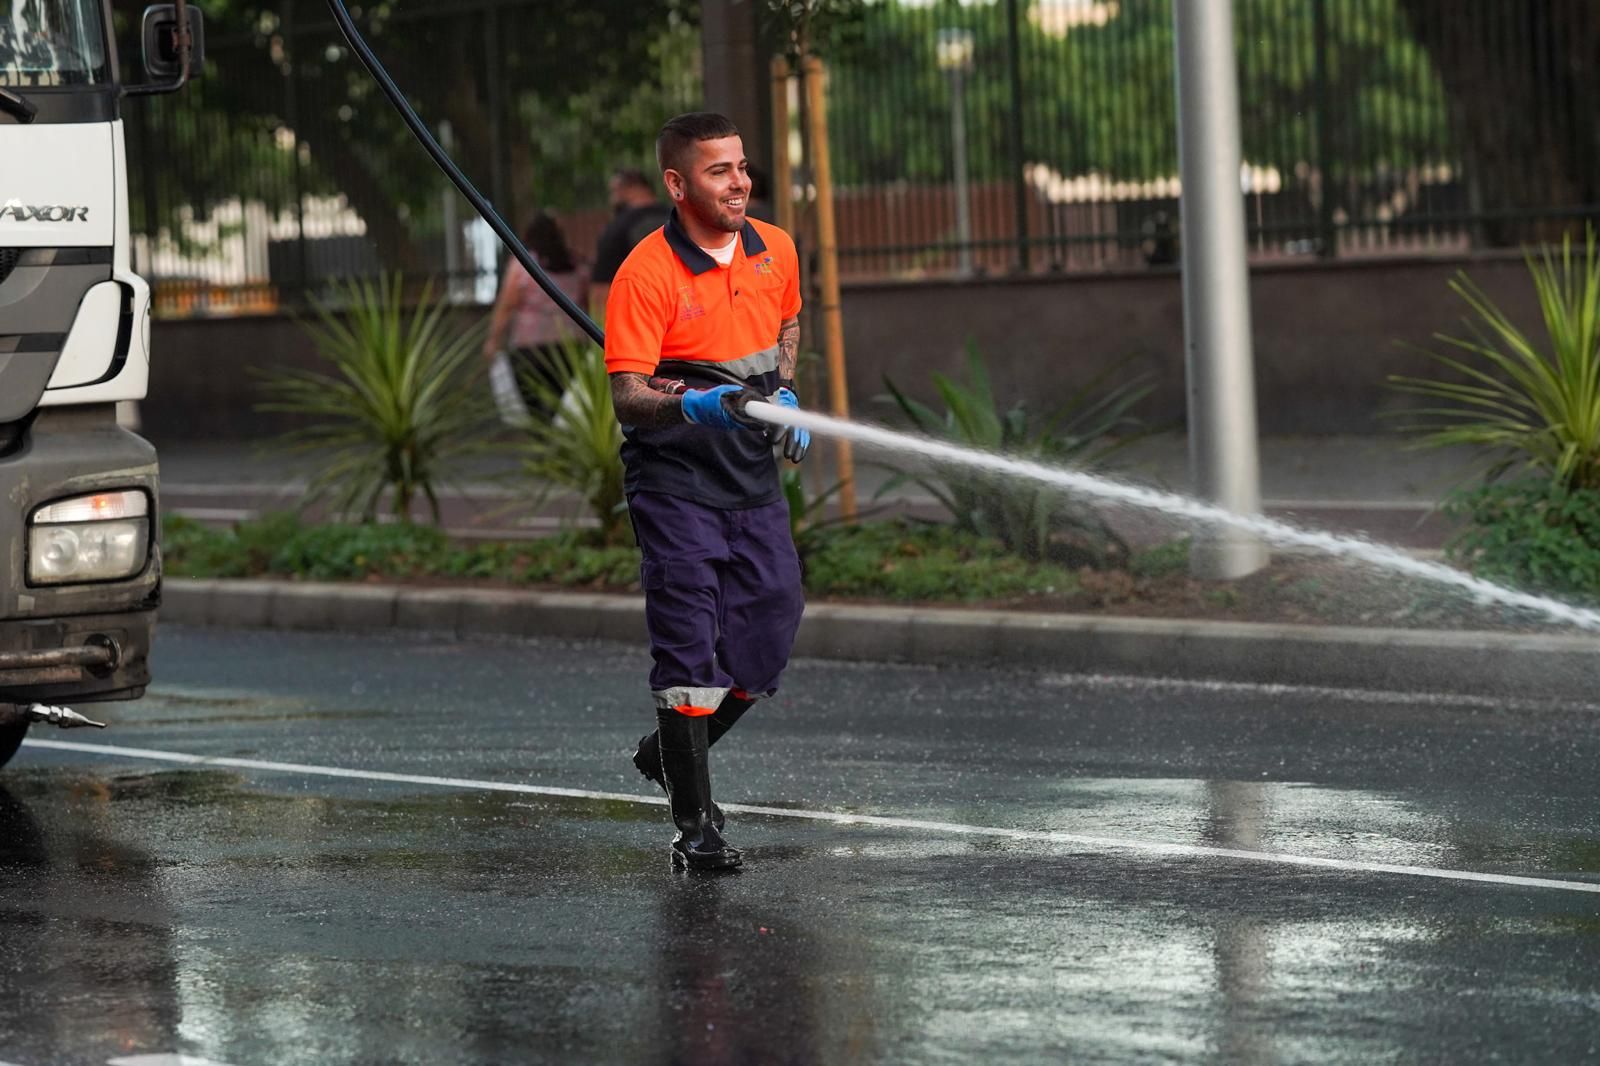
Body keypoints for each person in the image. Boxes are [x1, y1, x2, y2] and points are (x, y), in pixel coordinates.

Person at [604, 112, 812, 871]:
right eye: (720, 170)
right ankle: (696, 827)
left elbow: (788, 321)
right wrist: (690, 405)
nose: (740, 182)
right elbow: (628, 395)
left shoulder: (776, 248)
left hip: (751, 477)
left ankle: (669, 753)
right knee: (689, 648)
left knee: (769, 633)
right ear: (677, 182)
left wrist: (784, 395)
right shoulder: (646, 273)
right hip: (676, 481)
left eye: (743, 166)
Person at [484, 212, 589, 419]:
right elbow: (588, 304)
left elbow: (506, 307)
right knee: (566, 406)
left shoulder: (522, 265)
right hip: (571, 346)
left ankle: (546, 444)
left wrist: (493, 340)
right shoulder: (577, 264)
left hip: (530, 349)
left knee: (537, 408)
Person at [590, 168, 672, 317]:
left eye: (615, 191)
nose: (612, 198)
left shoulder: (616, 228)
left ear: (634, 188)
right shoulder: (680, 218)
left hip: (638, 311)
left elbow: (602, 286)